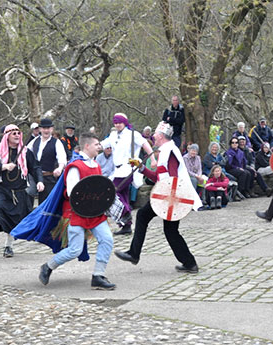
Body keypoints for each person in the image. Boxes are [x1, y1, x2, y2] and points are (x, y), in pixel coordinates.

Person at [114, 121, 201, 273]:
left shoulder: (170, 151)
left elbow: (173, 178)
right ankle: (189, 263)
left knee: (153, 221)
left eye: (155, 134)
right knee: (166, 228)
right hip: (169, 196)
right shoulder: (165, 151)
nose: (153, 136)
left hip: (172, 197)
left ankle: (135, 254)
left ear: (161, 136)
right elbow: (159, 177)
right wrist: (141, 168)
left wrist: (166, 199)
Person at [37, 133, 116, 290]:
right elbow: (74, 193)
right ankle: (48, 266)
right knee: (75, 250)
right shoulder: (75, 166)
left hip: (95, 212)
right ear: (87, 146)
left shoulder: (96, 165)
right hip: (77, 212)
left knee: (107, 239)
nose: (99, 147)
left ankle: (98, 276)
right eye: (96, 144)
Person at [0, 124, 44, 258]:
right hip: (1, 189)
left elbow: (35, 167)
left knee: (14, 221)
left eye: (18, 133)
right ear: (6, 136)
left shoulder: (26, 152)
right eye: (13, 133)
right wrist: (4, 166)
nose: (17, 135)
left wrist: (39, 181)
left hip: (19, 191)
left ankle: (8, 246)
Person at [101, 113, 156, 235]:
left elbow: (145, 144)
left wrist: (152, 159)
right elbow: (103, 144)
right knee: (124, 196)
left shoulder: (133, 134)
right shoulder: (113, 134)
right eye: (115, 122)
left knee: (114, 191)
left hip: (129, 168)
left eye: (119, 122)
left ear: (124, 122)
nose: (117, 124)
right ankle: (126, 226)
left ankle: (125, 216)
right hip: (117, 170)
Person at [27, 118, 67, 204]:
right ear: (40, 129)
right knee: (28, 196)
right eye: (44, 128)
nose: (46, 130)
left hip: (48, 177)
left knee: (46, 203)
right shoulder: (34, 141)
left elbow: (62, 158)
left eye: (48, 128)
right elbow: (25, 153)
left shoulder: (57, 142)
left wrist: (59, 169)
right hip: (34, 177)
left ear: (52, 129)